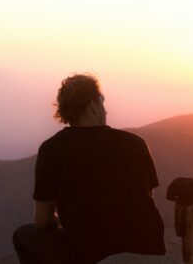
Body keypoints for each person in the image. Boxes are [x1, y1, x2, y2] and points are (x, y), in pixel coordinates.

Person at [12, 74, 166, 264]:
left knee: (23, 235)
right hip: (148, 247)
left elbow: (42, 221)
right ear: (92, 105)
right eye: (103, 102)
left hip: (89, 253)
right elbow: (146, 199)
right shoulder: (135, 143)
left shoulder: (52, 149)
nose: (106, 110)